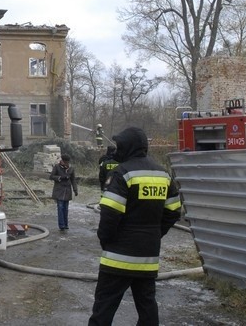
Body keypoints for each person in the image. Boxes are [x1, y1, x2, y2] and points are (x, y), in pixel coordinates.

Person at [88, 127, 182, 326]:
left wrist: (107, 241)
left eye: (120, 145)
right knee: (147, 307)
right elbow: (173, 211)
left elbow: (110, 215)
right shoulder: (163, 175)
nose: (117, 149)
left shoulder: (122, 173)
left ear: (128, 146)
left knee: (103, 309)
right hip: (147, 257)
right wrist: (155, 234)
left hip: (117, 259)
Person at [49, 154, 78, 231]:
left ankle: (66, 224)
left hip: (67, 191)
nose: (66, 163)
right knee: (60, 208)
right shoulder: (57, 167)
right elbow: (51, 176)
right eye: (65, 162)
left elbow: (73, 180)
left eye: (67, 162)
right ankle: (61, 225)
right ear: (62, 161)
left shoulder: (71, 168)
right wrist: (60, 178)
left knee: (65, 209)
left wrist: (75, 190)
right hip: (59, 190)